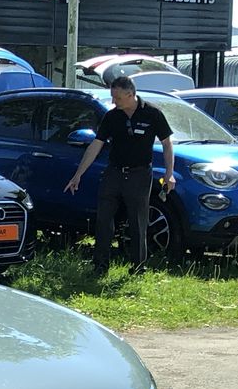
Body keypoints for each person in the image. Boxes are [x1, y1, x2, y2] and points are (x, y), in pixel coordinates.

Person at [65, 75, 175, 275]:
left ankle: (138, 267)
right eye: (112, 97)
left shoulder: (152, 113)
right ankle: (100, 266)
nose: (114, 101)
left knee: (138, 222)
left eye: (118, 98)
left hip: (139, 174)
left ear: (130, 94)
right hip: (114, 173)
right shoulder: (112, 116)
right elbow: (96, 145)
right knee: (104, 219)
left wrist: (169, 174)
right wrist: (78, 174)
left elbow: (167, 144)